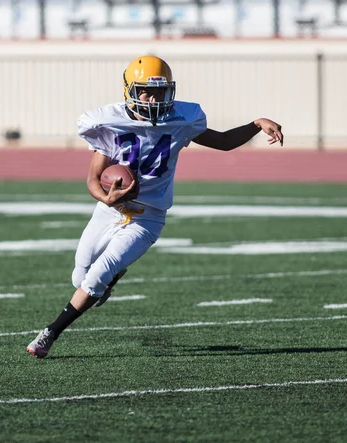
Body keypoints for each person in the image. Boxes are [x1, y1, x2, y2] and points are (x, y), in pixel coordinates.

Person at [27, 55, 284, 358]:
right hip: (111, 209)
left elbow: (224, 141)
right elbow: (93, 179)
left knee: (97, 276)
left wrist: (256, 124)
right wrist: (106, 197)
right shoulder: (109, 122)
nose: (153, 98)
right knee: (79, 278)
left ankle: (50, 333)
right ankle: (109, 280)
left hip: (147, 216)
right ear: (130, 91)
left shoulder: (180, 120)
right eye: (146, 91)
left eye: (160, 91)